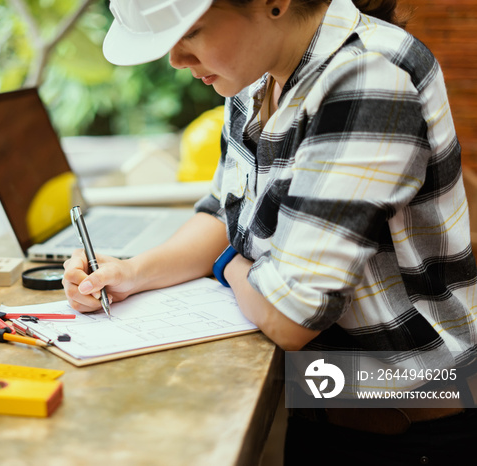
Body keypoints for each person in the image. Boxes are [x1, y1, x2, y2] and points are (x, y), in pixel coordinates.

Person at [62, 0, 477, 463]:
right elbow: (224, 214)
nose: (176, 60)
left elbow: (290, 317)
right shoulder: (256, 78)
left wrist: (227, 263)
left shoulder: (368, 78)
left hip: (408, 427)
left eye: (192, 32)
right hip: (323, 400)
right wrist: (130, 273)